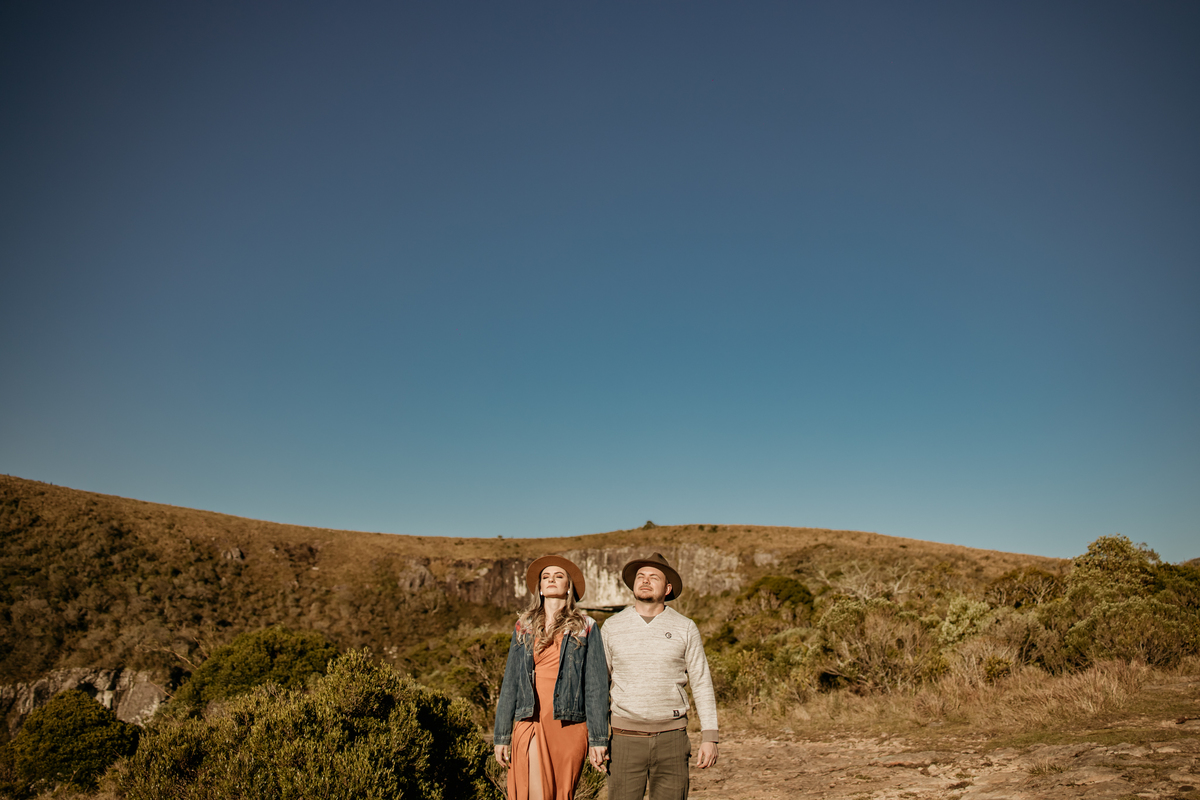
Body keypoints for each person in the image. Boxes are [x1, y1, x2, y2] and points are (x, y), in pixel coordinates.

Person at [601, 553, 719, 800]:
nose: (645, 580)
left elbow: (701, 681)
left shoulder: (685, 627)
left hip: (672, 740)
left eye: (653, 577)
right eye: (640, 576)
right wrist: (597, 737)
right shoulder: (612, 626)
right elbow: (599, 685)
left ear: (667, 588)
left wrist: (710, 737)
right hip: (624, 739)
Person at [494, 555, 610, 800]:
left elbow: (596, 686)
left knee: (561, 793)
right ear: (540, 587)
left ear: (569, 587)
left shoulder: (586, 626)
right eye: (545, 577)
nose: (551, 580)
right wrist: (501, 736)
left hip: (569, 724)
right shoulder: (524, 626)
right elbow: (511, 682)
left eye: (559, 576)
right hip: (530, 718)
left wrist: (599, 739)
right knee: (535, 792)